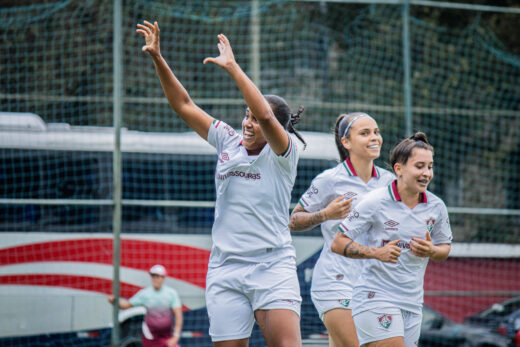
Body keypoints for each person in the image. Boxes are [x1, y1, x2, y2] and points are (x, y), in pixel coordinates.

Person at [136, 21, 306, 347]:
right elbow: (183, 105)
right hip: (225, 269)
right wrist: (158, 57)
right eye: (246, 115)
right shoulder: (227, 141)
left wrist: (233, 68)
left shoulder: (284, 154)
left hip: (272, 265)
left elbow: (268, 118)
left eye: (254, 118)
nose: (248, 122)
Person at [330, 132, 452, 347]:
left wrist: (431, 250)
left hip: (413, 304)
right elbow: (338, 242)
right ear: (399, 169)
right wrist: (377, 253)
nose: (426, 173)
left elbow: (444, 248)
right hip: (374, 297)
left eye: (430, 167)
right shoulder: (374, 202)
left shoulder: (436, 207)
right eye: (419, 166)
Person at [289, 112, 395, 347]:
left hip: (373, 284)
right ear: (346, 142)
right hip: (335, 281)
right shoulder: (330, 179)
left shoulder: (390, 182)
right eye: (365, 133)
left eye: (376, 132)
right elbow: (293, 220)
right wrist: (326, 214)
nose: (375, 138)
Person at [108, 264, 183, 347]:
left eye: (158, 276)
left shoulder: (171, 294)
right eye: (153, 276)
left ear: (163, 278)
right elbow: (126, 305)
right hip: (150, 336)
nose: (155, 279)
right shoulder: (145, 293)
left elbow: (178, 315)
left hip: (166, 336)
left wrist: (176, 336)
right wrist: (114, 301)